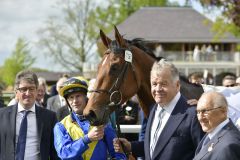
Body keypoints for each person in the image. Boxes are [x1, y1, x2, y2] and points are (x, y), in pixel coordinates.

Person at [113, 59, 204, 160]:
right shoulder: (154, 109)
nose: (158, 89)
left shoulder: (193, 114)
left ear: (177, 85)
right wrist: (130, 146)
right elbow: (156, 147)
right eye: (154, 84)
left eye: (164, 84)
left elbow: (203, 154)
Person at [53, 76, 126, 159]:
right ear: (67, 101)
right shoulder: (60, 126)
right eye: (71, 97)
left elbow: (118, 153)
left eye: (78, 96)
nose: (75, 101)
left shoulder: (102, 122)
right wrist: (87, 138)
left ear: (85, 97)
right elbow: (64, 153)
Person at [0, 70, 59, 160]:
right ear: (16, 92)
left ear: (36, 91)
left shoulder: (50, 117)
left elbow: (54, 152)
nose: (28, 93)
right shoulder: (2, 115)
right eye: (23, 89)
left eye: (31, 89)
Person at [193, 92, 240, 160]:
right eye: (198, 112)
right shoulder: (211, 133)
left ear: (223, 111)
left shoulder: (228, 145)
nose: (200, 118)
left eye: (205, 111)